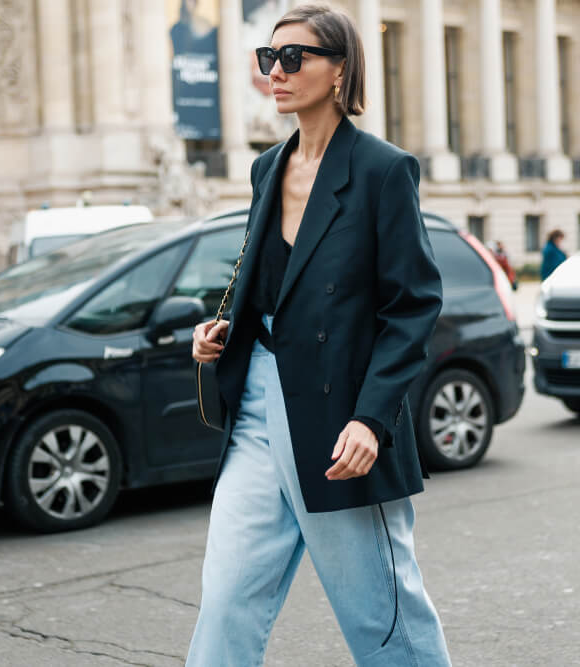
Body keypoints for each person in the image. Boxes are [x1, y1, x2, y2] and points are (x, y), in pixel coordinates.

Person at [187, 6, 451, 665]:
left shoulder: (384, 171)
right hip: (256, 402)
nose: (275, 73)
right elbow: (269, 278)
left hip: (340, 416)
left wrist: (371, 418)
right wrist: (223, 329)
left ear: (339, 71)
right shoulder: (266, 169)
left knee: (384, 618)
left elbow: (412, 306)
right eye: (267, 59)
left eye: (293, 58)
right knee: (225, 601)